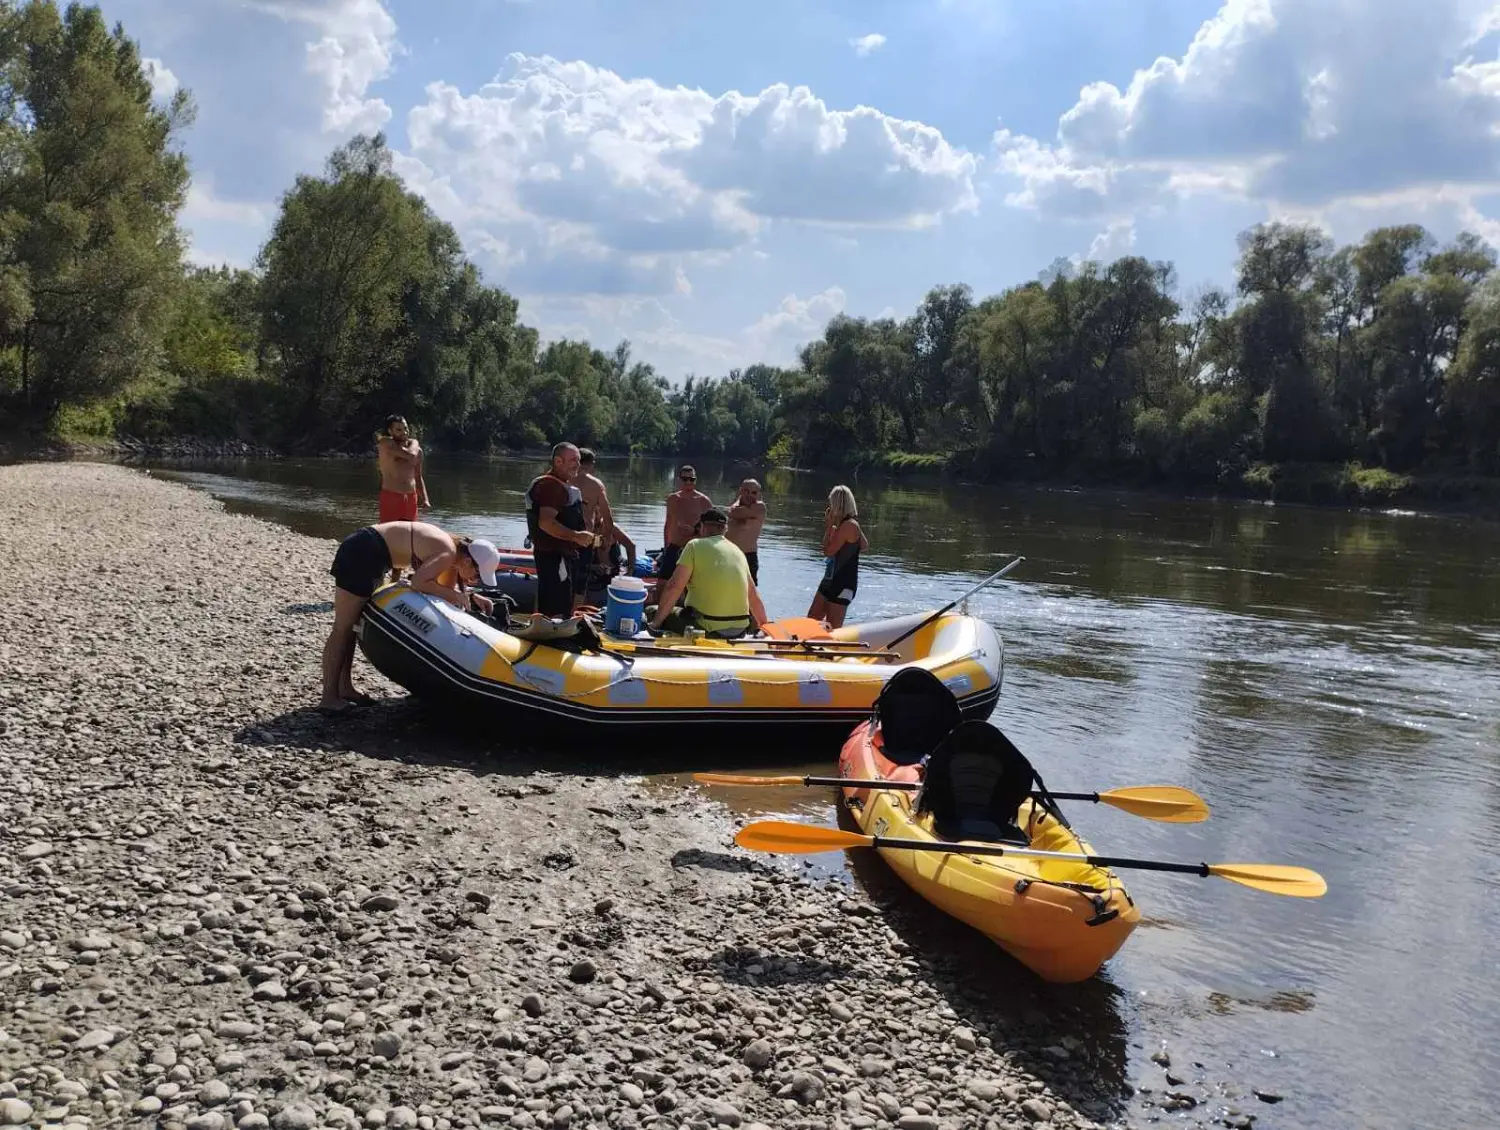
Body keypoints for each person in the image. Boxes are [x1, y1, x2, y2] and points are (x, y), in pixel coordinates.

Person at [321, 522, 499, 713]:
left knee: (352, 627)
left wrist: (470, 596)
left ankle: (344, 687)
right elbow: (418, 582)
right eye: (477, 575)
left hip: (373, 553)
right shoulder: (447, 553)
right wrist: (456, 596)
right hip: (364, 551)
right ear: (467, 561)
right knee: (343, 628)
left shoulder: (451, 553)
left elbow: (442, 588)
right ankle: (328, 698)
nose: (474, 580)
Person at [648, 508, 767, 638]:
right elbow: (752, 594)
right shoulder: (738, 551)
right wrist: (764, 627)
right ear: (725, 529)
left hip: (706, 629)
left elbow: (674, 587)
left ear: (702, 527)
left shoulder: (694, 545)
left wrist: (655, 624)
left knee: (651, 611)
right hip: (739, 632)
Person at [525, 442, 598, 619]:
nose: (577, 464)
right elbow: (546, 523)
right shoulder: (551, 486)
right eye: (573, 460)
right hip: (554, 556)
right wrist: (576, 536)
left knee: (558, 602)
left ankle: (549, 632)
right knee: (556, 607)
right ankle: (551, 637)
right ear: (558, 461)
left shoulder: (559, 485)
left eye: (579, 460)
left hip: (557, 556)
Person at [807, 484, 869, 629]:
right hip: (829, 580)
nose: (828, 506)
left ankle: (832, 650)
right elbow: (864, 545)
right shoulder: (843, 525)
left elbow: (828, 551)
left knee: (833, 628)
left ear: (837, 504)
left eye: (831, 502)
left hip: (843, 583)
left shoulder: (849, 525)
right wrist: (832, 529)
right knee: (811, 620)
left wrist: (829, 527)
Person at [376, 415, 429, 582]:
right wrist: (415, 443)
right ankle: (377, 578)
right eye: (398, 429)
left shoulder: (416, 449)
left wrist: (425, 498)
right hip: (391, 496)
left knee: (406, 541)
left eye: (405, 428)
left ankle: (394, 581)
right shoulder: (386, 444)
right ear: (390, 431)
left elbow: (418, 476)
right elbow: (411, 456)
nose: (404, 432)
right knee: (387, 538)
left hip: (410, 498)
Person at [658, 464, 713, 581]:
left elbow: (713, 529)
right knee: (662, 582)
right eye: (685, 479)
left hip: (695, 550)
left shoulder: (704, 501)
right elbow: (668, 526)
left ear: (695, 480)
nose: (688, 483)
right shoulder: (673, 499)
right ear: (679, 480)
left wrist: (694, 531)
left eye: (691, 479)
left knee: (692, 584)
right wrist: (666, 549)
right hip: (674, 547)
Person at [576, 448, 614, 600]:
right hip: (585, 539)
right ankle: (573, 618)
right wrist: (605, 542)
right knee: (579, 585)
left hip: (563, 535)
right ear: (592, 464)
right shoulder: (596, 485)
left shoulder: (564, 479)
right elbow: (608, 518)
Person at [726, 478, 767, 586]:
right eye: (746, 491)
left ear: (758, 494)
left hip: (748, 556)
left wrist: (737, 503)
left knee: (748, 593)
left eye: (754, 492)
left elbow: (735, 513)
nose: (750, 495)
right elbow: (733, 512)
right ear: (740, 491)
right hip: (730, 554)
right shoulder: (735, 506)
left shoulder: (760, 507)